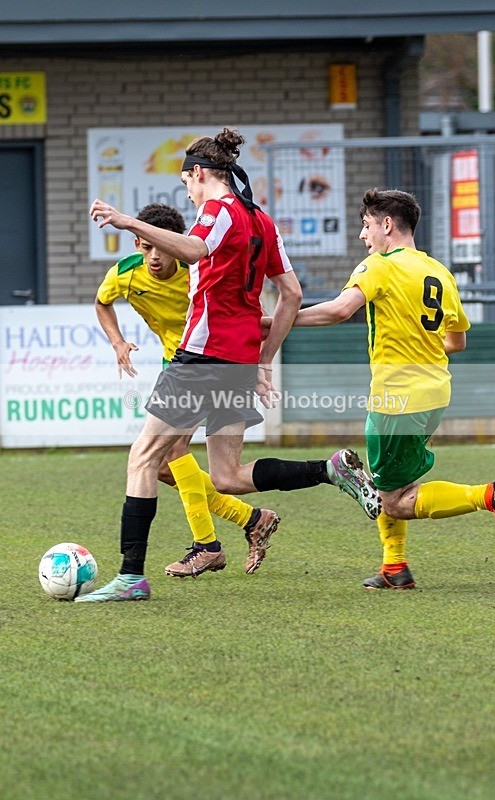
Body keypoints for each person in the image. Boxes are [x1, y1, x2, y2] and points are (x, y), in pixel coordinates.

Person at [78, 127, 308, 602]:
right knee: (224, 473)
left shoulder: (217, 210)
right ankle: (325, 471)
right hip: (238, 358)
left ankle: (134, 576)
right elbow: (292, 294)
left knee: (146, 457)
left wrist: (126, 221)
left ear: (198, 173)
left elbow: (195, 249)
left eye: (186, 182)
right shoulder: (261, 219)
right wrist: (265, 359)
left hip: (201, 356)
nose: (187, 192)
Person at [262, 187, 495, 588]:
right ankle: (394, 569)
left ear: (387, 225)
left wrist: (272, 323)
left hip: (397, 397)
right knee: (391, 482)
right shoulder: (439, 272)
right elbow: (457, 341)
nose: (363, 235)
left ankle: (490, 496)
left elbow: (339, 310)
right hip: (435, 392)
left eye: (366, 225)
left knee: (394, 502)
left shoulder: (379, 266)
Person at [95, 202, 275, 581]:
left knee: (168, 454)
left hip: (209, 361)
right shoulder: (125, 274)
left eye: (162, 247)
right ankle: (250, 518)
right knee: (162, 466)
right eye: (146, 247)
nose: (155, 256)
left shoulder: (199, 270)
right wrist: (118, 342)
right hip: (176, 364)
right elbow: (102, 302)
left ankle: (208, 546)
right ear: (138, 243)